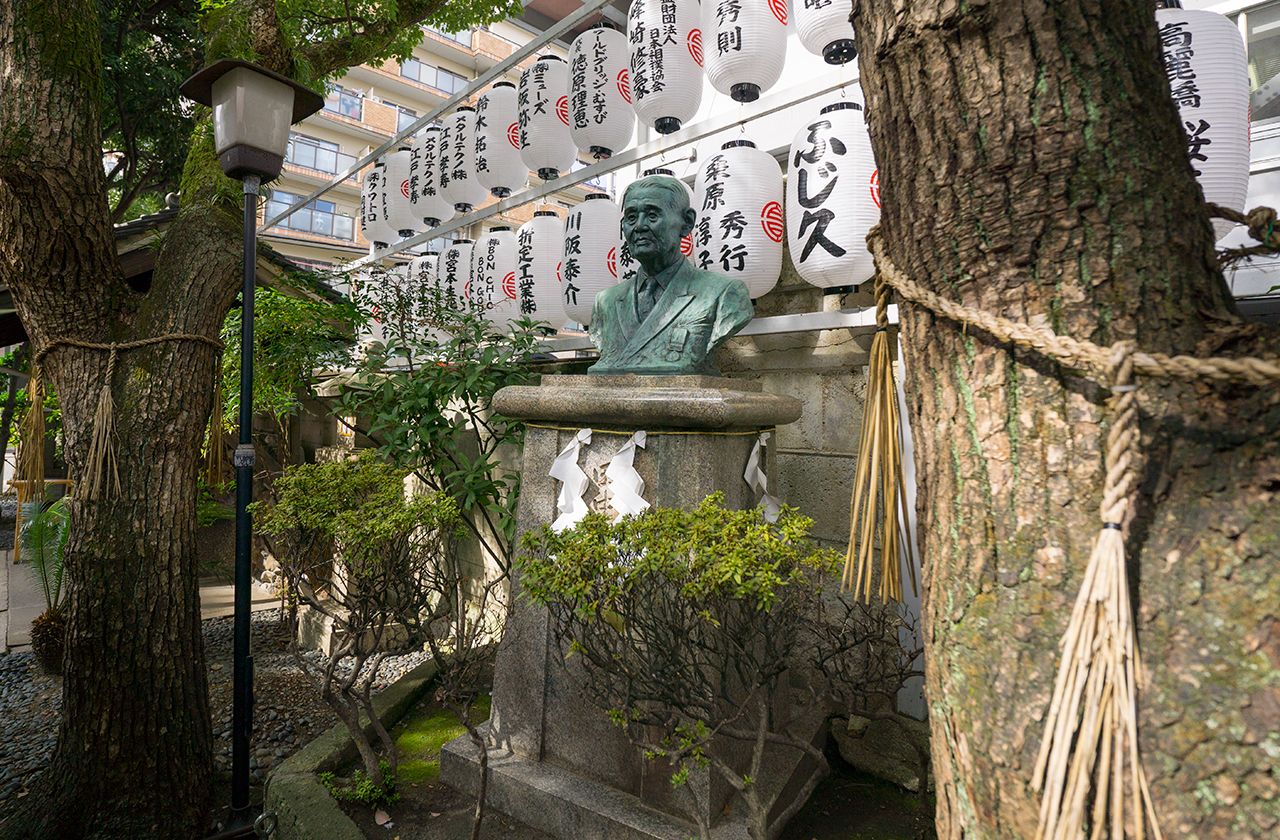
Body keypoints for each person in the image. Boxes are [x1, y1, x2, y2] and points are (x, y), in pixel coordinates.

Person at [588, 175, 753, 376]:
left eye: (652, 215)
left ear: (686, 222)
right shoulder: (605, 302)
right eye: (631, 217)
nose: (639, 226)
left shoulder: (723, 294)